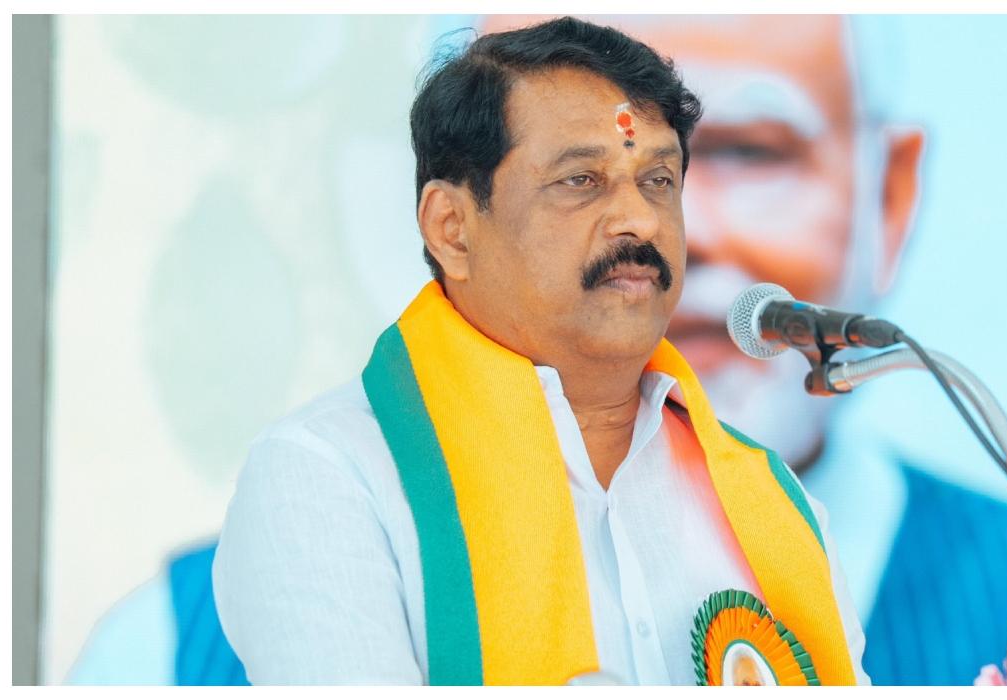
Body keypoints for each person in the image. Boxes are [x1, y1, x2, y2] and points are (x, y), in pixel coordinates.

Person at [478, 14, 1007, 686]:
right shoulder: (417, 582)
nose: (663, 236)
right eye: (574, 174)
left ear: (889, 198)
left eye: (748, 151)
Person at [209, 17, 867, 685]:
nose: (640, 220)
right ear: (452, 229)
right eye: (580, 180)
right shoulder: (332, 475)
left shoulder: (770, 499)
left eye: (658, 180)